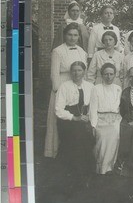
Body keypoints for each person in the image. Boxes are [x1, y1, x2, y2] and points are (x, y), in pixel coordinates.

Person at [44, 23, 88, 158]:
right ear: (64, 35)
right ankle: (55, 150)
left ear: (79, 36)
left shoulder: (82, 52)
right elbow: (54, 74)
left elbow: (84, 73)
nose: (72, 37)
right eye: (70, 34)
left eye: (75, 35)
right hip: (62, 86)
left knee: (77, 115)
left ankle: (75, 150)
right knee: (59, 117)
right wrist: (58, 91)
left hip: (77, 86)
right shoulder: (58, 51)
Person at [55, 61, 95, 176]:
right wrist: (74, 118)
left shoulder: (90, 86)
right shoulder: (64, 86)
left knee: (89, 137)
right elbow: (58, 109)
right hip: (68, 119)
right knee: (77, 136)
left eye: (79, 70)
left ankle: (87, 170)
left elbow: (93, 106)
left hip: (85, 117)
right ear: (70, 72)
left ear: (84, 72)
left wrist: (89, 119)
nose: (76, 73)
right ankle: (74, 171)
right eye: (74, 70)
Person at [89, 63, 122, 174]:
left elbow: (119, 108)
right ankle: (102, 168)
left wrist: (117, 119)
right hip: (100, 119)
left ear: (115, 75)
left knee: (115, 134)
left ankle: (110, 167)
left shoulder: (118, 89)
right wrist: (93, 125)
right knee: (102, 139)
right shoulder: (96, 88)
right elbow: (93, 108)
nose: (108, 77)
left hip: (115, 120)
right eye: (106, 74)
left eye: (111, 74)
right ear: (102, 75)